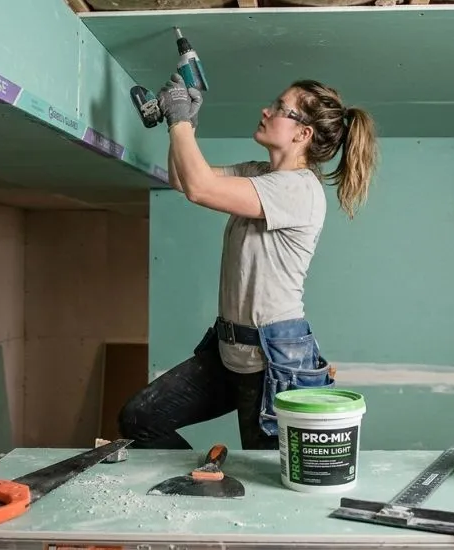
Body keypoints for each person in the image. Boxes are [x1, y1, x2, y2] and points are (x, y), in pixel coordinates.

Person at [118, 73, 379, 450]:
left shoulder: (298, 189)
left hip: (273, 363)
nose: (266, 110)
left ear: (302, 134)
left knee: (267, 476)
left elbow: (200, 189)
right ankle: (200, 486)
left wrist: (177, 121)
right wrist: (185, 124)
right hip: (230, 352)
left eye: (279, 108)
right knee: (140, 418)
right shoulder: (261, 173)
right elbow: (184, 178)